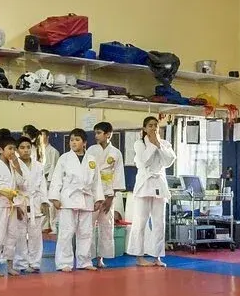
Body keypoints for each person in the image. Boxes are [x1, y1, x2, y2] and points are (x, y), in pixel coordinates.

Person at [48, 128, 103, 272]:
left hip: (86, 198)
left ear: (84, 142)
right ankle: (64, 263)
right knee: (66, 231)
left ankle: (84, 261)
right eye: (71, 140)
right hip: (68, 198)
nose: (73, 142)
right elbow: (56, 179)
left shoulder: (91, 160)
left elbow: (96, 181)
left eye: (77, 140)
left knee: (86, 232)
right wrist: (55, 197)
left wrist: (98, 198)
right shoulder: (64, 158)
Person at [127, 116, 175, 267]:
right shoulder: (139, 144)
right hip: (144, 183)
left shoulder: (165, 143)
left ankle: (157, 256)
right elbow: (145, 161)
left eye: (156, 125)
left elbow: (169, 161)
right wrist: (153, 145)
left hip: (159, 184)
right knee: (140, 222)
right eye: (150, 125)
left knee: (159, 223)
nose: (153, 128)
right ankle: (139, 256)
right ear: (144, 128)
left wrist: (158, 144)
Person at [0, 135, 26, 277]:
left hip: (12, 206)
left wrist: (18, 165)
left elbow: (21, 184)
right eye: (10, 149)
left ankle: (9, 265)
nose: (12, 152)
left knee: (12, 236)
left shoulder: (13, 166)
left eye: (14, 149)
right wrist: (2, 192)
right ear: (0, 150)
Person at [87, 122, 126, 268]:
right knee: (88, 226)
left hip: (108, 191)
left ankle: (100, 258)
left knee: (106, 226)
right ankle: (87, 258)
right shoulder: (91, 150)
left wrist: (110, 198)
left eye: (99, 133)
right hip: (92, 192)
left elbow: (118, 175)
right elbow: (88, 171)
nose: (96, 136)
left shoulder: (116, 153)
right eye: (95, 133)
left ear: (108, 134)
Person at [14, 136, 47, 273]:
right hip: (21, 200)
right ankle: (20, 263)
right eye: (22, 148)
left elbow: (43, 185)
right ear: (17, 150)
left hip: (35, 201)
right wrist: (15, 205)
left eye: (28, 147)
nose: (26, 150)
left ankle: (35, 263)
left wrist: (44, 201)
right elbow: (13, 186)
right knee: (20, 234)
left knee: (36, 235)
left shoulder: (39, 166)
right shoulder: (14, 165)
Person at [38, 129, 60, 231]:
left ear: (47, 137)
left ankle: (54, 227)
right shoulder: (39, 150)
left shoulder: (53, 151)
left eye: (42, 135)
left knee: (52, 206)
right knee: (43, 204)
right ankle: (45, 226)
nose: (41, 138)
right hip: (40, 180)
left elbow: (54, 167)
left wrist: (50, 182)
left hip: (50, 180)